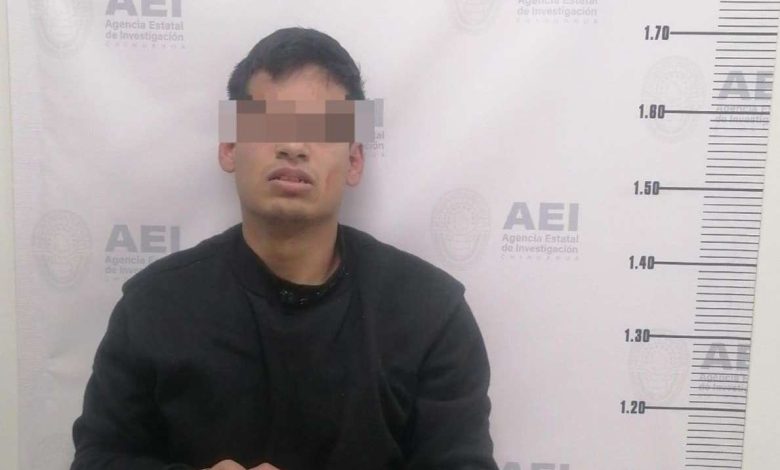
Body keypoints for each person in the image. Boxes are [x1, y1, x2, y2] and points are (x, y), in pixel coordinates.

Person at [70, 26, 498, 470]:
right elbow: (98, 457)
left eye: (322, 128)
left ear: (354, 160)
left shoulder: (430, 314)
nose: (293, 146)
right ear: (229, 146)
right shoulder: (155, 306)